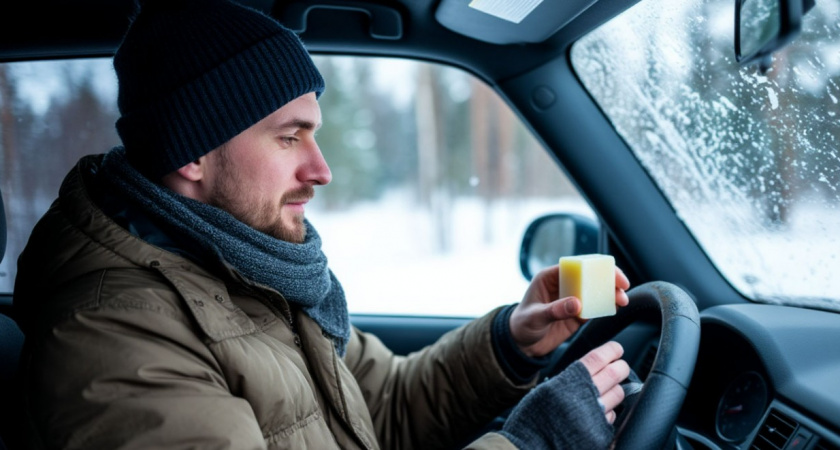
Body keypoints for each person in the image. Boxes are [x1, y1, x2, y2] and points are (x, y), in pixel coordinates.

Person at [12, 0, 632, 448]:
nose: (322, 170)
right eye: (289, 138)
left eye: (316, 136)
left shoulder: (252, 270)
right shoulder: (114, 338)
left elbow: (379, 409)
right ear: (191, 153)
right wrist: (535, 443)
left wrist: (508, 345)